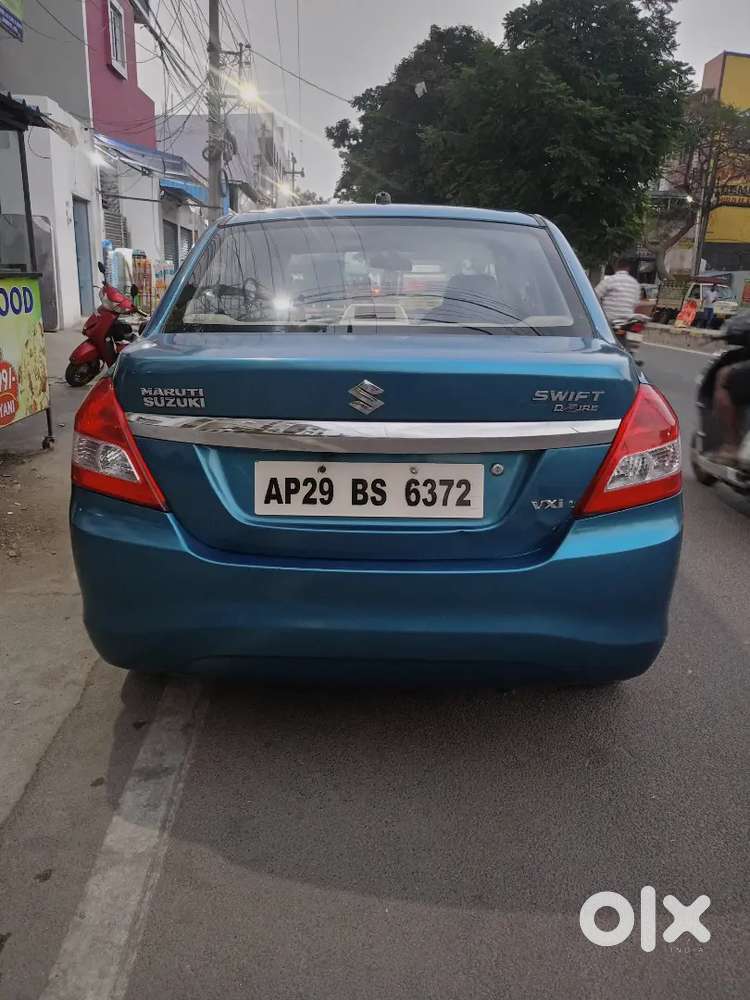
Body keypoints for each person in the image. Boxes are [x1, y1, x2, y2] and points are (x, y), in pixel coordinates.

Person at [595, 258, 641, 330]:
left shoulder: (609, 280)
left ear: (616, 267)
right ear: (628, 268)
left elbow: (595, 296)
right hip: (626, 321)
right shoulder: (635, 283)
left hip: (608, 320)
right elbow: (636, 303)